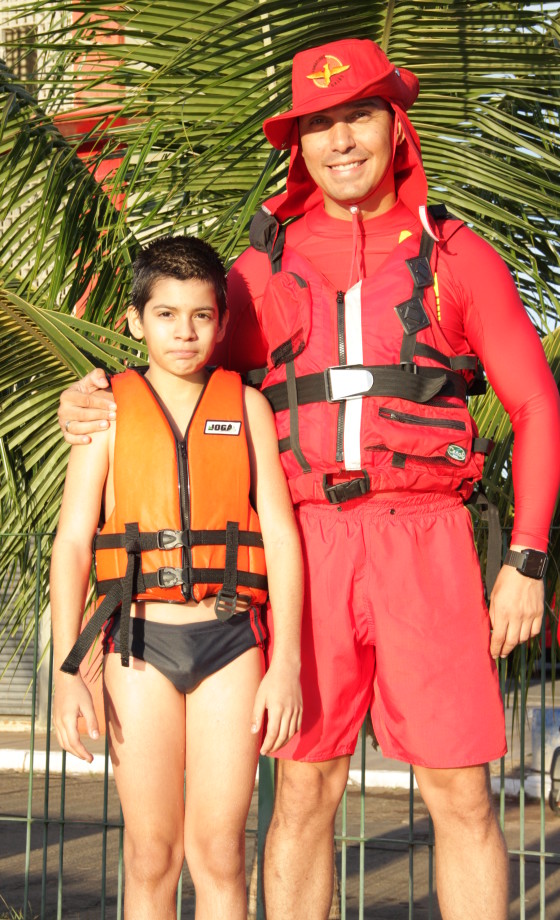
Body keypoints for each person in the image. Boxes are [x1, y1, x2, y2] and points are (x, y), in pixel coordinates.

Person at [58, 39, 560, 920]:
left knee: (462, 793)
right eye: (318, 124)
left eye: (357, 116)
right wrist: (93, 392)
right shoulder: (258, 270)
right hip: (306, 544)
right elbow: (176, 369)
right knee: (303, 787)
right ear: (297, 145)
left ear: (394, 126)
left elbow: (535, 405)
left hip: (427, 541)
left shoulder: (454, 253)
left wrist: (524, 558)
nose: (340, 140)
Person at [51, 235, 303, 920]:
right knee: (150, 855)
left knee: (220, 853)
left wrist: (286, 663)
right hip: (138, 647)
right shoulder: (106, 411)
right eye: (165, 315)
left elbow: (281, 538)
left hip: (231, 644)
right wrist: (68, 670)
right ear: (136, 321)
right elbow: (72, 544)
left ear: (221, 323)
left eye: (200, 315)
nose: (184, 332)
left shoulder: (247, 407)